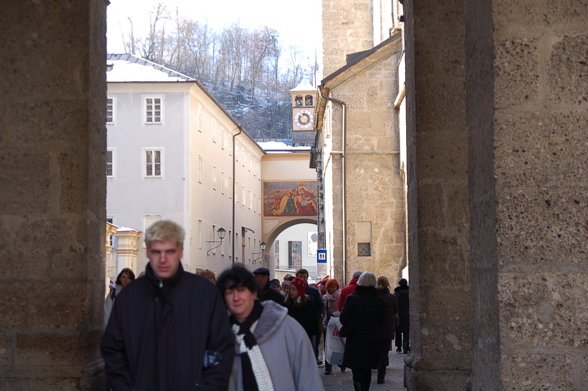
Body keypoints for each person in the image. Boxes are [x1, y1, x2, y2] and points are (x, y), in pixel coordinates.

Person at [101, 220, 235, 390]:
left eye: (169, 252)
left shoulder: (204, 293)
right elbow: (114, 350)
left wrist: (209, 386)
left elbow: (221, 347)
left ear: (180, 251)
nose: (163, 259)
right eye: (157, 252)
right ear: (148, 252)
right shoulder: (129, 297)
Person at [216, 264, 325, 391]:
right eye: (229, 292)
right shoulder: (222, 337)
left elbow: (308, 378)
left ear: (254, 293)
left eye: (241, 290)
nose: (236, 298)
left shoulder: (286, 328)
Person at [340, 272, 385, 391]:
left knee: (357, 371)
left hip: (355, 338)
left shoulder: (351, 299)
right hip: (371, 339)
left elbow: (343, 318)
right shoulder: (378, 301)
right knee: (367, 371)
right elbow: (381, 322)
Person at [295, 268, 324, 364]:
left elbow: (320, 305)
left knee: (311, 346)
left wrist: (316, 315)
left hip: (311, 325)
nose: (303, 279)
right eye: (300, 277)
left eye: (304, 277)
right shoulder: (293, 290)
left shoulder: (313, 291)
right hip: (297, 324)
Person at [376, 276, 398, 384]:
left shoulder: (374, 297)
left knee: (374, 351)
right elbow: (395, 311)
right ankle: (381, 377)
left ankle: (371, 372)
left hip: (374, 328)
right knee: (384, 354)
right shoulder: (392, 297)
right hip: (387, 328)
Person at [284, 277, 320, 344]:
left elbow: (314, 327)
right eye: (290, 288)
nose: (290, 291)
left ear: (300, 290)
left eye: (294, 289)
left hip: (304, 340)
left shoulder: (308, 304)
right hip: (290, 340)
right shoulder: (287, 304)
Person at [322, 278, 341, 375]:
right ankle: (328, 367)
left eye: (334, 287)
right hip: (328, 323)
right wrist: (324, 323)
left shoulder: (340, 296)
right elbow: (324, 312)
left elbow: (342, 309)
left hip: (338, 322)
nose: (333, 289)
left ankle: (341, 362)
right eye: (331, 287)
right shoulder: (325, 297)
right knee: (328, 345)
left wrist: (335, 314)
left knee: (339, 343)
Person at [394, 278, 410, 354]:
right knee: (406, 330)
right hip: (407, 313)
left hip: (399, 313)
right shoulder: (410, 292)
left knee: (398, 331)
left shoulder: (396, 294)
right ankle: (406, 345)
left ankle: (399, 346)